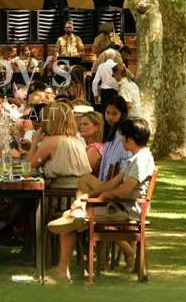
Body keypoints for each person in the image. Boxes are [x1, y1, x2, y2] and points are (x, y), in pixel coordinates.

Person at [47, 118, 155, 282]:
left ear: (130, 139)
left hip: (127, 210)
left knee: (71, 222)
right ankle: (74, 216)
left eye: (122, 136)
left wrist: (102, 197)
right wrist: (86, 197)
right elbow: (113, 183)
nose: (120, 140)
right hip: (121, 207)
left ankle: (62, 270)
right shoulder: (137, 157)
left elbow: (123, 191)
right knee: (74, 216)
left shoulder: (141, 160)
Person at [27, 103, 91, 188]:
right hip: (81, 192)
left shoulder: (50, 141)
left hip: (60, 195)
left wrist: (34, 142)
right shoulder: (77, 140)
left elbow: (28, 168)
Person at [98, 96, 131, 181]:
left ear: (122, 114)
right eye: (107, 113)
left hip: (113, 184)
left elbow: (116, 163)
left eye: (114, 114)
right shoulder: (112, 132)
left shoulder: (122, 135)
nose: (110, 117)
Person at [77, 110, 106, 176]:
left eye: (85, 124)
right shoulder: (98, 146)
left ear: (97, 127)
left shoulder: (94, 148)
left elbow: (82, 172)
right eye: (80, 124)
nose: (81, 126)